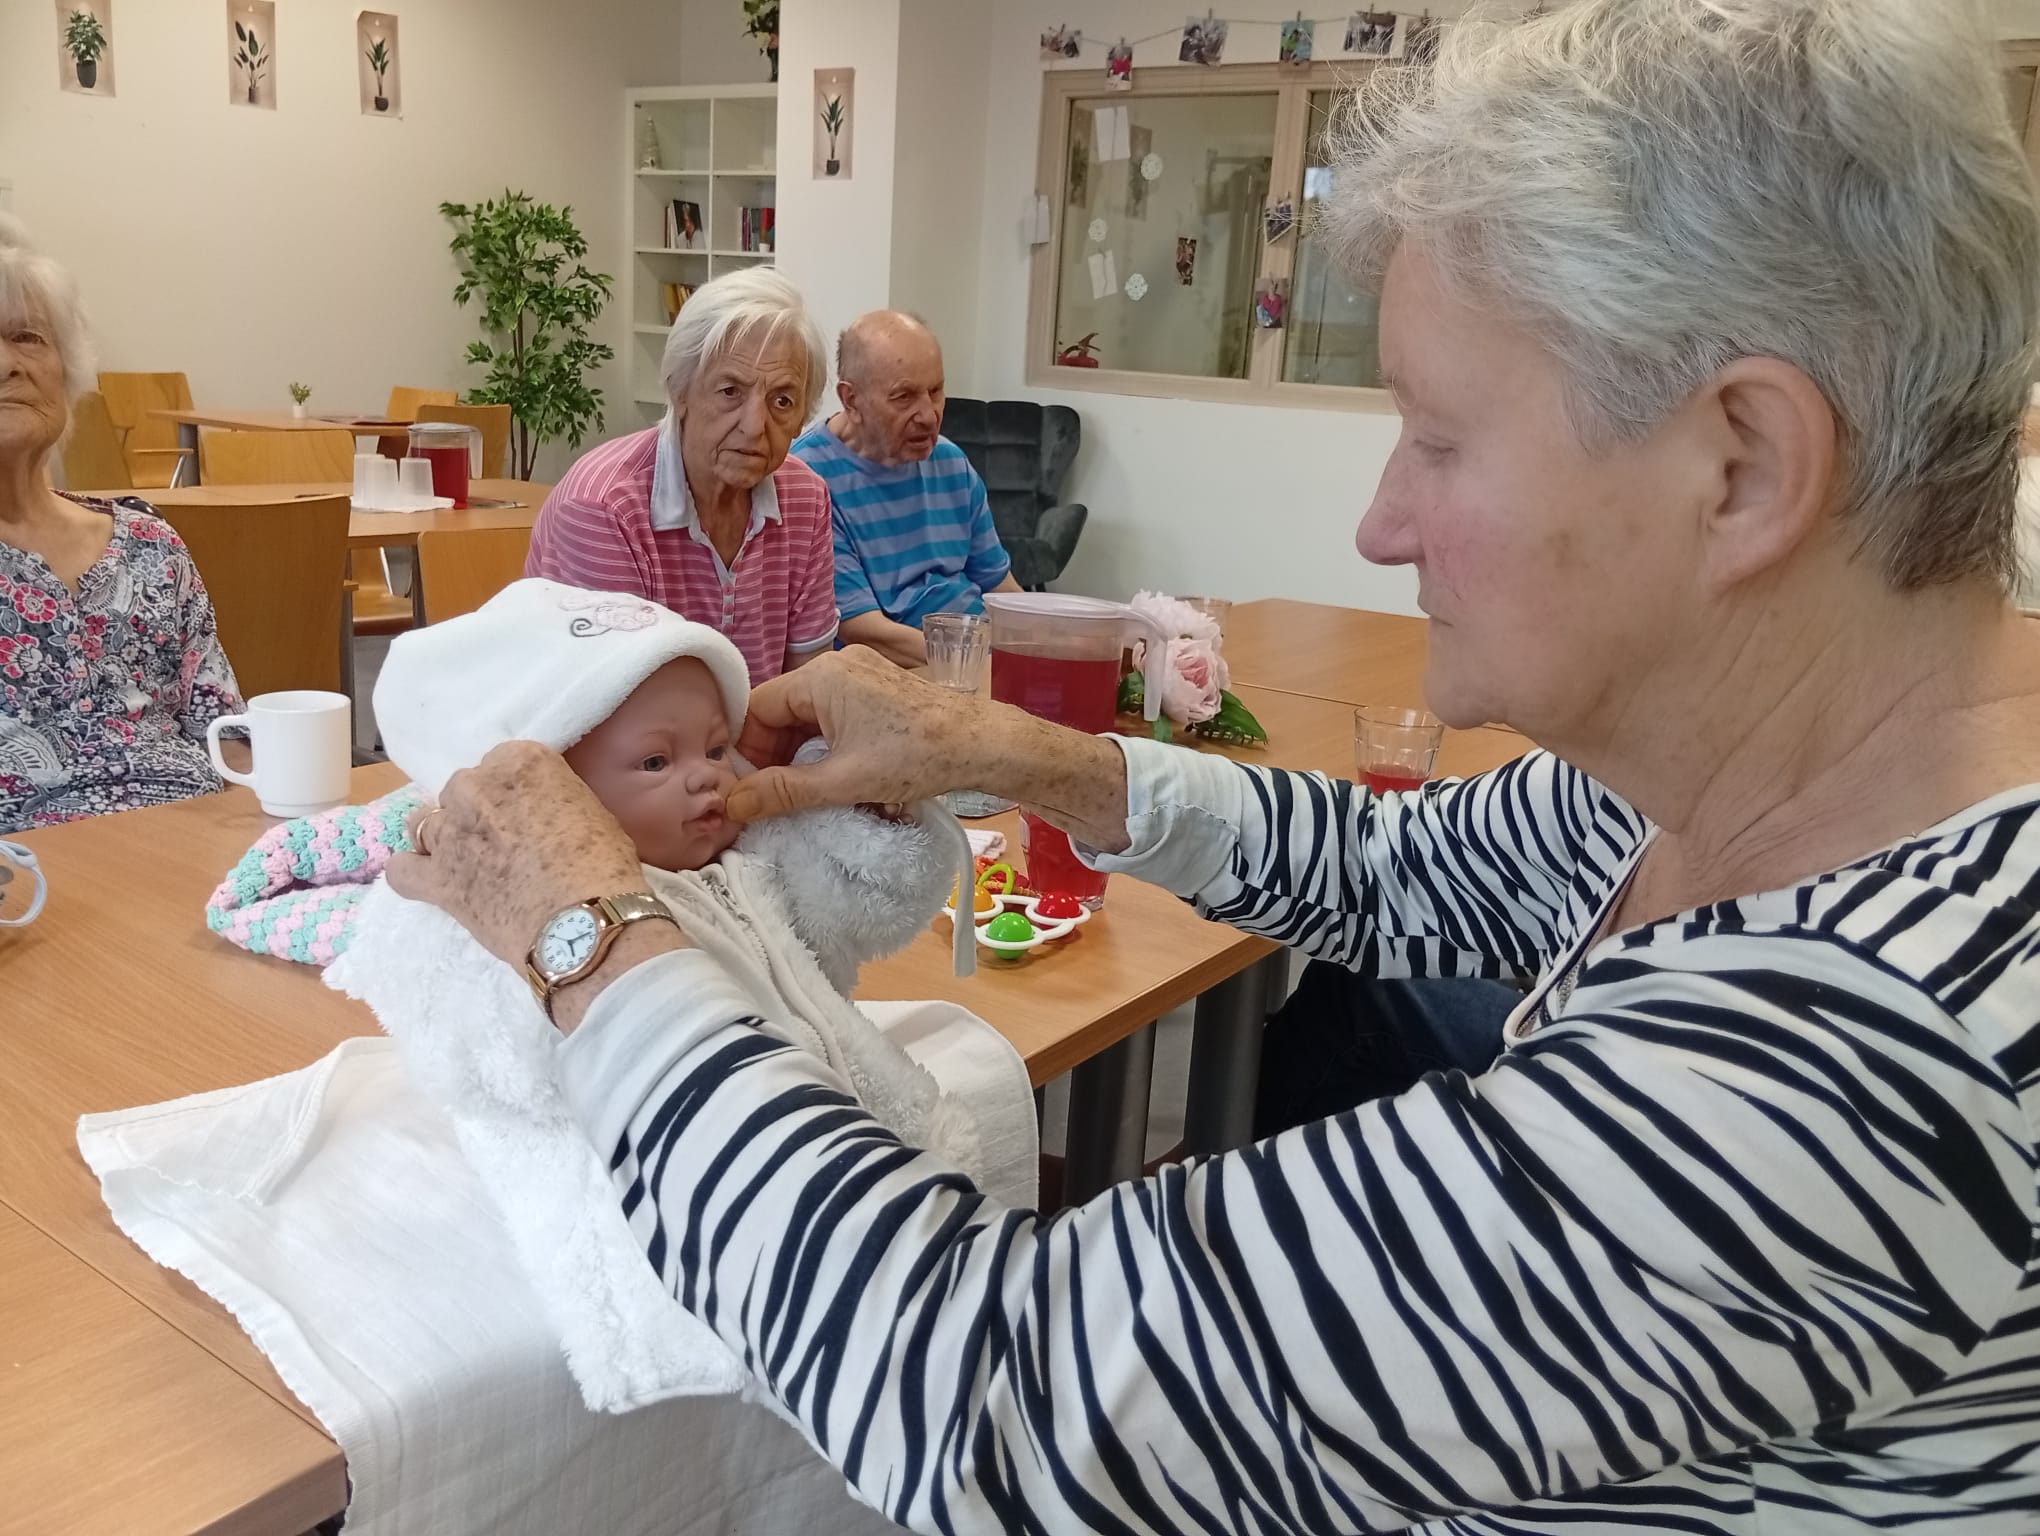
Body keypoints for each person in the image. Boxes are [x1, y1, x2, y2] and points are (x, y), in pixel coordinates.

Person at [393, 2, 2040, 1529]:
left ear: (1743, 464)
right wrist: (994, 746)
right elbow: (1400, 866)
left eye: (1440, 439)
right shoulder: (1770, 780)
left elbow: (983, 1388)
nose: (1380, 520)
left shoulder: (1851, 1058)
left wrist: (593, 938)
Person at [0, 217, 242, 833]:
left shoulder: (149, 543)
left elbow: (227, 735)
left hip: (192, 840)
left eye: (27, 337)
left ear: (67, 370)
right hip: (29, 869)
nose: (7, 364)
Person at [525, 267, 839, 683]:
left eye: (782, 400)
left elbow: (810, 682)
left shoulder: (806, 497)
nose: (754, 426)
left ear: (802, 419)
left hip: (755, 725)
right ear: (680, 391)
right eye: (730, 392)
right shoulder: (604, 508)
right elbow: (621, 703)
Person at [791, 311, 1019, 669]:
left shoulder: (951, 463)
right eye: (904, 396)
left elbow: (1000, 588)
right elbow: (864, 631)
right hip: (903, 671)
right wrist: (985, 660)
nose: (929, 415)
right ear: (851, 400)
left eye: (936, 391)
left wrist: (1045, 640)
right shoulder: (807, 480)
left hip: (973, 654)